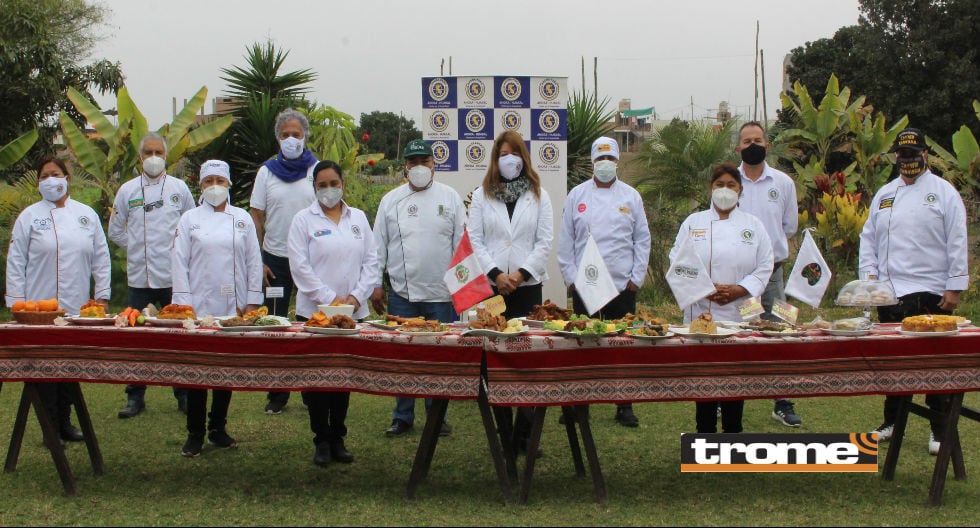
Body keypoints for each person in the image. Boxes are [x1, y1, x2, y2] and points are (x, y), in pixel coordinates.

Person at [859, 128, 969, 455]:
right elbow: (869, 238)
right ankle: (891, 422)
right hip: (889, 292)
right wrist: (869, 277)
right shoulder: (885, 193)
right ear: (896, 156)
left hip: (930, 290)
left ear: (925, 155)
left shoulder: (944, 192)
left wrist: (954, 286)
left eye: (914, 154)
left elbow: (957, 240)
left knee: (932, 366)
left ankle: (938, 430)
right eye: (903, 155)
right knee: (894, 363)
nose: (909, 160)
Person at [5, 157, 111, 442]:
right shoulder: (29, 216)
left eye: (55, 174)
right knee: (44, 368)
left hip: (76, 305)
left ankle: (64, 421)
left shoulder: (86, 214)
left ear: (66, 177)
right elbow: (16, 261)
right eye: (44, 176)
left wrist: (101, 296)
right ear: (39, 183)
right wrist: (16, 303)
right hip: (38, 307)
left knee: (69, 366)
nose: (50, 180)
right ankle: (49, 427)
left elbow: (101, 258)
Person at [370, 139, 465, 437]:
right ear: (405, 167)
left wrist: (461, 291)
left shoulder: (450, 198)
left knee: (438, 359)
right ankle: (402, 416)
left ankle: (438, 416)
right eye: (413, 163)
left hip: (441, 293)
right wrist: (376, 285)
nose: (419, 167)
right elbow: (378, 247)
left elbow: (462, 247)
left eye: (425, 161)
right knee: (404, 358)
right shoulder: (391, 200)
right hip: (402, 294)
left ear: (434, 165)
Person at [669, 163, 774, 434]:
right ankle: (704, 434)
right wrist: (705, 288)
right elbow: (677, 262)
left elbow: (765, 265)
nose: (725, 190)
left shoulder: (754, 225)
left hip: (739, 311)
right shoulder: (693, 223)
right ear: (710, 188)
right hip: (701, 310)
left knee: (734, 378)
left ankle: (733, 435)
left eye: (731, 185)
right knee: (703, 378)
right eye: (719, 185)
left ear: (740, 190)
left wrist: (739, 289)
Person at [288, 160, 379, 466]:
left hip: (351, 314)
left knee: (342, 376)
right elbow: (299, 268)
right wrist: (330, 299)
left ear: (343, 185)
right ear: (314, 188)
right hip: (315, 314)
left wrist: (353, 299)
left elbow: (371, 262)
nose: (328, 190)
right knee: (316, 379)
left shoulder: (359, 219)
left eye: (333, 183)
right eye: (322, 185)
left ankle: (338, 438)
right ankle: (321, 440)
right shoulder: (303, 220)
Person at [468, 131, 553, 453]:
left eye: (514, 153)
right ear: (495, 158)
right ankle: (504, 435)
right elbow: (475, 240)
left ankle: (526, 434)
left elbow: (544, 241)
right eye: (503, 153)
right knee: (496, 360)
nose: (508, 159)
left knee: (526, 361)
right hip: (492, 289)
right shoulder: (481, 195)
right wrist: (496, 275)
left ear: (523, 157)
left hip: (527, 287)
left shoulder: (539, 195)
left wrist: (519, 274)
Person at [172, 160, 264, 457]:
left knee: (225, 368)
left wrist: (252, 300)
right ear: (200, 186)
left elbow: (253, 260)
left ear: (229, 184)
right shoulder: (189, 219)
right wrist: (183, 303)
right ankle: (195, 433)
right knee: (198, 371)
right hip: (197, 307)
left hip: (233, 307)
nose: (214, 186)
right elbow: (179, 261)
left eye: (219, 181)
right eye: (208, 180)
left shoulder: (242, 219)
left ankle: (218, 428)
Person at [558, 137, 651, 427]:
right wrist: (572, 279)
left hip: (623, 286)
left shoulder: (631, 196)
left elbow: (642, 239)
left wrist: (636, 278)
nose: (605, 164)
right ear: (592, 162)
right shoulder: (577, 196)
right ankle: (575, 404)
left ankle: (624, 404)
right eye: (600, 159)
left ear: (618, 162)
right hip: (586, 286)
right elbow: (565, 242)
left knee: (622, 346)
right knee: (581, 346)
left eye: (610, 159)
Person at [109, 131, 195, 419]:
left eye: (159, 153)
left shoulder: (180, 189)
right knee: (137, 339)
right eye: (149, 153)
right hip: (140, 277)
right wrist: (137, 248)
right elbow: (115, 230)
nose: (154, 158)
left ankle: (183, 394)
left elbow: (191, 226)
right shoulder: (127, 191)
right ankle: (135, 396)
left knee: (178, 337)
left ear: (166, 156)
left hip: (173, 278)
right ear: (140, 157)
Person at [249, 108, 318, 414]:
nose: (291, 139)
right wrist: (259, 258)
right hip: (275, 261)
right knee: (276, 326)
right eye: (285, 135)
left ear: (305, 137)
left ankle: (309, 390)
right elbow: (257, 215)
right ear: (278, 137)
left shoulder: (316, 170)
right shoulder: (266, 172)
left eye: (297, 134)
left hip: (309, 260)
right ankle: (277, 394)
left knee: (308, 325)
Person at [735, 121, 803, 428]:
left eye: (757, 140)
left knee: (782, 333)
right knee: (739, 335)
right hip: (742, 282)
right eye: (746, 141)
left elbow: (789, 227)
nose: (752, 145)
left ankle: (782, 401)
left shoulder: (783, 183)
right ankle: (730, 398)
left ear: (768, 145)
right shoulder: (730, 181)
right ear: (738, 148)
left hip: (774, 278)